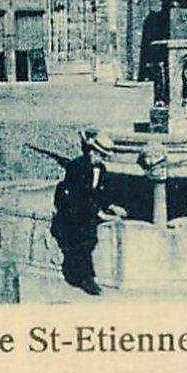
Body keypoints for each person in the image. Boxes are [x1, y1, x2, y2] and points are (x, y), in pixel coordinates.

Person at [50, 126, 115, 295]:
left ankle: (84, 276)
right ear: (91, 152)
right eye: (99, 154)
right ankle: (85, 279)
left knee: (89, 238)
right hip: (71, 210)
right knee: (84, 239)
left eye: (103, 156)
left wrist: (111, 207)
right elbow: (78, 196)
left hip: (87, 210)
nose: (100, 158)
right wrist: (99, 213)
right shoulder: (76, 166)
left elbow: (101, 193)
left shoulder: (102, 170)